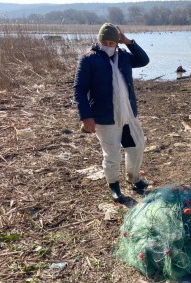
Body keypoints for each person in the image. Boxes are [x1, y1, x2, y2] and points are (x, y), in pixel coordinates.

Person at [73, 23, 150, 203]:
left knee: (137, 146)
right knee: (112, 154)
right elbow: (79, 89)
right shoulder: (89, 59)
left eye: (112, 42)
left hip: (128, 114)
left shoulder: (123, 57)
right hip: (105, 117)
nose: (108, 45)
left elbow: (144, 60)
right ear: (99, 41)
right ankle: (114, 186)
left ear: (116, 43)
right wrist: (86, 117)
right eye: (104, 41)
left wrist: (127, 41)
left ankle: (134, 178)